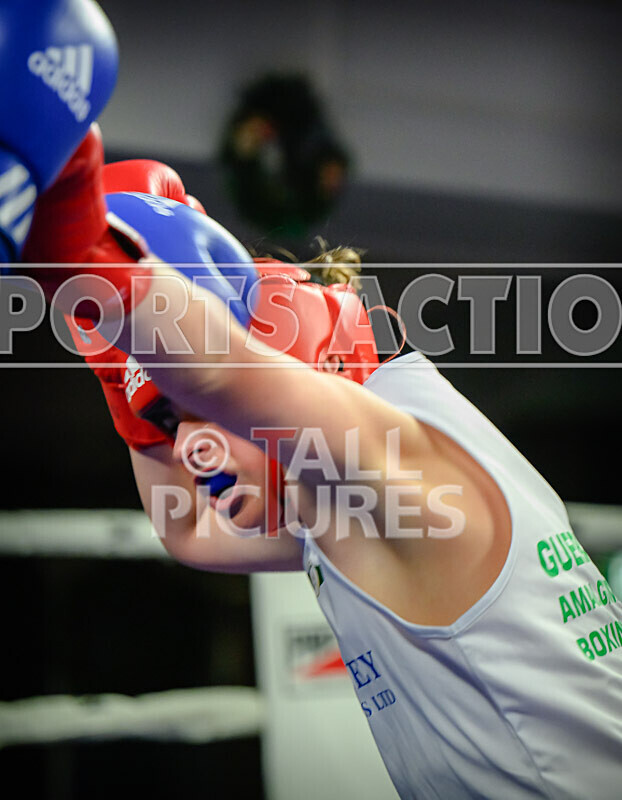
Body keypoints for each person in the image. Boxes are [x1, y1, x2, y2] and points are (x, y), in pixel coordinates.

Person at [4, 3, 621, 796]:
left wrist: (76, 235)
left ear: (307, 377)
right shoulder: (357, 512)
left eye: (201, 419)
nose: (189, 451)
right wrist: (117, 367)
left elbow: (222, 373)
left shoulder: (402, 466)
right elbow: (188, 528)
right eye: (171, 422)